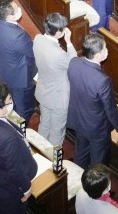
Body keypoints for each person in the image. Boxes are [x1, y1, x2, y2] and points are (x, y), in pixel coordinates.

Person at [0, 83, 38, 214]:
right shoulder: (5, 138)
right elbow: (14, 170)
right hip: (10, 190)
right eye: (9, 100)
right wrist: (26, 189)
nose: (12, 102)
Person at [67, 33, 118, 167]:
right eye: (105, 48)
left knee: (81, 154)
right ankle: (97, 185)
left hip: (79, 120)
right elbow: (110, 108)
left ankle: (78, 178)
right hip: (96, 128)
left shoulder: (74, 62)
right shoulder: (102, 80)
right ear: (98, 55)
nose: (107, 51)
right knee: (99, 163)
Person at [33, 12, 78, 147]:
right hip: (57, 99)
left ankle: (40, 150)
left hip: (43, 91)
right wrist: (69, 42)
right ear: (58, 33)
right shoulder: (59, 55)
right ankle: (53, 162)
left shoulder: (38, 38)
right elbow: (73, 62)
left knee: (44, 123)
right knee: (57, 131)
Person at [0, 0, 37, 121]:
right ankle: (20, 132)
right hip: (21, 78)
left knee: (10, 99)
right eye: (16, 9)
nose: (19, 10)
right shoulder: (18, 36)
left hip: (5, 71)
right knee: (24, 109)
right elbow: (33, 52)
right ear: (9, 17)